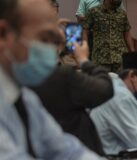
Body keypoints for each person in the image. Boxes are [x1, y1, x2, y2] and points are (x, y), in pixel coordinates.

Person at [0, 0, 105, 159]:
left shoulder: (27, 98)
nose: (50, 51)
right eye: (44, 39)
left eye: (56, 42)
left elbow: (66, 150)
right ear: (3, 34)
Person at [83, 0, 134, 73]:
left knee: (121, 83)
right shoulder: (94, 12)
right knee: (102, 83)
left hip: (120, 59)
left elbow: (127, 34)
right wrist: (85, 51)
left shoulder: (122, 14)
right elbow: (85, 31)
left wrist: (133, 53)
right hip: (100, 59)